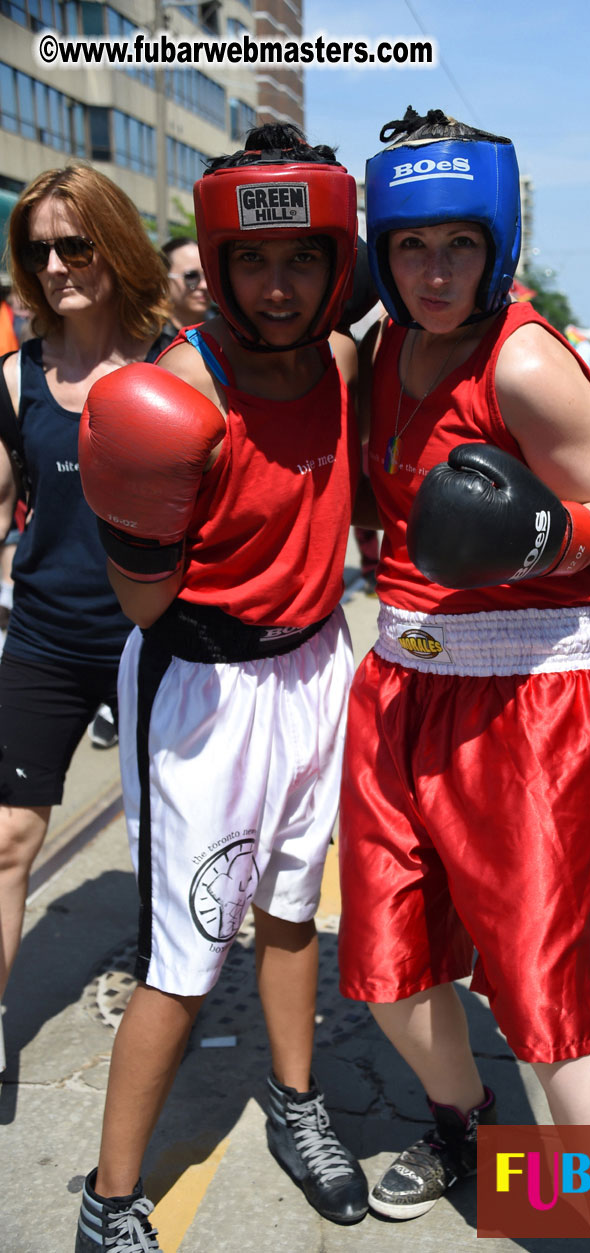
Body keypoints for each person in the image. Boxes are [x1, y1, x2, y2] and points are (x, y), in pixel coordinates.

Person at [337, 107, 590, 1253]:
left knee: (553, 1008)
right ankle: (465, 1124)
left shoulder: (522, 359)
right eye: (412, 247)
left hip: (528, 706)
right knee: (385, 967)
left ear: (497, 244)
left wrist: (541, 536)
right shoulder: (376, 348)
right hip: (400, 685)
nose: (433, 271)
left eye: (457, 246)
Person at [74, 123, 368, 1252]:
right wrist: (132, 517)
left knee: (295, 910)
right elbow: (144, 606)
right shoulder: (180, 385)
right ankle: (110, 1196)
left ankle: (298, 1105)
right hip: (202, 685)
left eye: (301, 260)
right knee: (186, 956)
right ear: (222, 259)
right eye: (254, 260)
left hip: (313, 667)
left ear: (336, 258)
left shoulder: (343, 364)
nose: (280, 285)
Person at [0, 166, 169, 1070]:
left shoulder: (174, 362)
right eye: (38, 250)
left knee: (166, 841)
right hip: (45, 639)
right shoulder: (14, 375)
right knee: (7, 837)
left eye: (76, 243)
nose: (58, 264)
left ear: (115, 241)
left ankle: (166, 987)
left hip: (162, 641)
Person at [159, 235, 211, 337]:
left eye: (209, 275)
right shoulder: (147, 341)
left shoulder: (231, 330)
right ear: (164, 280)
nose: (204, 285)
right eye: (191, 276)